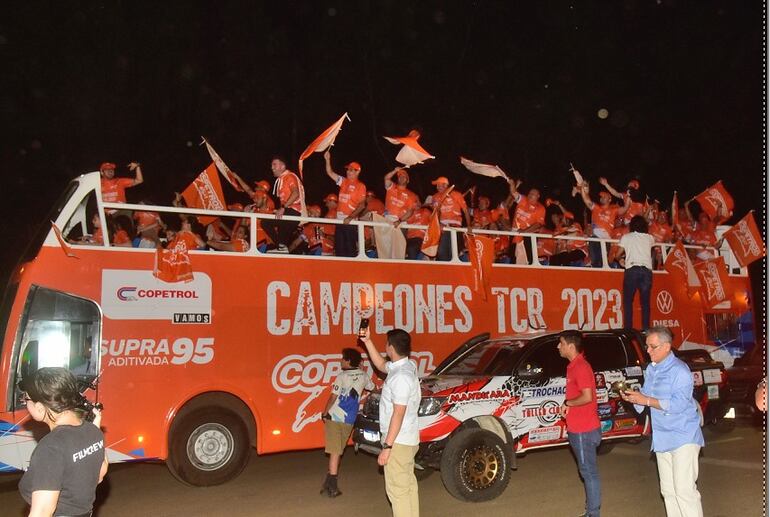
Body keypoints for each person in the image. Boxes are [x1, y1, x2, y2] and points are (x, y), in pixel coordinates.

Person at [621, 326, 704, 517]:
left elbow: (679, 405)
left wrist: (646, 401)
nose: (648, 350)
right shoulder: (652, 369)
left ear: (667, 347)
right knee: (668, 491)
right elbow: (646, 395)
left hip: (683, 436)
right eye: (647, 346)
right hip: (662, 437)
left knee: (684, 491)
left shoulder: (680, 371)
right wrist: (634, 398)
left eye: (653, 346)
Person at [18, 367, 108, 517]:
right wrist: (95, 429)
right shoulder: (93, 431)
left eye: (26, 399)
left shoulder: (51, 447)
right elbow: (99, 475)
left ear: (40, 407)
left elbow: (42, 511)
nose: (24, 404)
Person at [359, 328, 420, 517]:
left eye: (386, 344)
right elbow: (381, 365)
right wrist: (367, 341)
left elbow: (398, 414)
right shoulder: (408, 366)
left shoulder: (401, 376)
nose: (385, 348)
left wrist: (387, 446)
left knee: (398, 492)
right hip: (408, 438)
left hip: (398, 441)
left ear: (391, 348)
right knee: (408, 486)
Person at [319, 347, 374, 498]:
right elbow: (372, 388)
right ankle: (328, 483)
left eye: (343, 358)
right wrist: (362, 371)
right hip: (349, 419)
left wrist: (324, 413)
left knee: (335, 452)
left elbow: (333, 397)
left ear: (348, 361)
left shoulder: (341, 376)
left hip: (335, 417)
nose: (340, 361)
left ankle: (332, 486)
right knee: (338, 451)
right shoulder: (363, 375)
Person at [558, 331, 601, 517]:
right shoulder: (573, 366)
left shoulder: (580, 367)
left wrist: (568, 403)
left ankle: (593, 513)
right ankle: (591, 511)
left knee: (589, 473)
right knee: (587, 471)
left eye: (560, 343)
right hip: (579, 428)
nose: (557, 347)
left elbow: (587, 396)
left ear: (570, 346)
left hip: (584, 429)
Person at [578, 175, 631, 267]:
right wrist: (582, 187)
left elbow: (625, 208)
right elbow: (586, 200)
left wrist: (629, 197)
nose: (601, 197)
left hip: (606, 240)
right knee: (595, 262)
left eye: (604, 196)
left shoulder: (614, 210)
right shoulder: (596, 208)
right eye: (601, 196)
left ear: (610, 199)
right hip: (595, 238)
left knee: (603, 263)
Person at [615, 215, 655, 330]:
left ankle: (628, 329)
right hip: (646, 271)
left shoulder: (626, 237)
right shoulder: (650, 238)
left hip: (632, 270)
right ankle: (646, 330)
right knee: (645, 303)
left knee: (628, 301)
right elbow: (651, 252)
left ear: (631, 225)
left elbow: (617, 255)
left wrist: (621, 260)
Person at [324, 150, 367, 257]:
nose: (348, 171)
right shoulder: (343, 181)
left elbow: (362, 205)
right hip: (339, 220)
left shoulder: (360, 186)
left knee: (349, 249)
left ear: (357, 172)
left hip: (350, 222)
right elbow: (330, 173)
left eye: (351, 170)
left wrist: (351, 217)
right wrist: (327, 159)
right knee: (339, 249)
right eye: (348, 169)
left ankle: (352, 271)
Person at [263, 157, 306, 251]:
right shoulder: (282, 179)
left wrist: (283, 207)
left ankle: (281, 246)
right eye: (271, 165)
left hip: (293, 212)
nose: (272, 167)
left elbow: (296, 193)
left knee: (265, 222)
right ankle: (281, 247)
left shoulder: (289, 176)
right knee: (266, 223)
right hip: (289, 211)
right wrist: (279, 209)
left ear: (282, 166)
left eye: (274, 164)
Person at [428, 176, 472, 262]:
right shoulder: (435, 197)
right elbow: (435, 214)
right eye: (437, 185)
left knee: (450, 252)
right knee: (441, 252)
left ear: (445, 185)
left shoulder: (456, 194)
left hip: (455, 226)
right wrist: (439, 224)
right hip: (441, 228)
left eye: (439, 185)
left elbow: (466, 211)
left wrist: (469, 226)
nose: (437, 187)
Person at [509, 180, 545, 265]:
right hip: (514, 233)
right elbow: (513, 192)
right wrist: (512, 184)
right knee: (513, 259)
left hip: (528, 236)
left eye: (533, 194)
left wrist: (524, 232)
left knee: (529, 260)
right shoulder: (523, 200)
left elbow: (538, 224)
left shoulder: (540, 208)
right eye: (530, 193)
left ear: (538, 196)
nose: (530, 195)